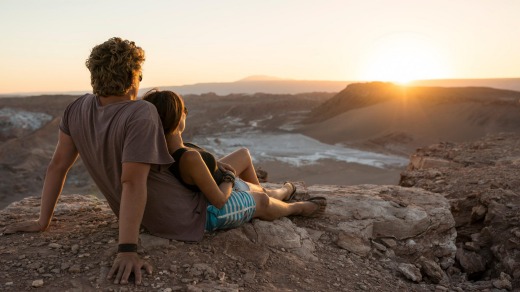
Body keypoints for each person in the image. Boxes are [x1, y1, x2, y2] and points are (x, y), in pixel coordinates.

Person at [2, 37, 207, 286]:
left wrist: (42, 221)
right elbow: (132, 182)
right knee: (259, 200)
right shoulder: (141, 113)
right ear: (133, 76)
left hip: (144, 219)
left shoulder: (75, 109)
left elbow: (58, 166)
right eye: (140, 75)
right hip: (185, 215)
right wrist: (127, 249)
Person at [142, 89, 327, 232]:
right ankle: (296, 208)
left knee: (243, 154)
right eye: (184, 110)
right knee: (261, 199)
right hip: (215, 199)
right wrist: (229, 177)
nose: (186, 114)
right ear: (175, 116)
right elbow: (220, 201)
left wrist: (216, 164)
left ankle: (280, 192)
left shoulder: (170, 148)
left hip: (217, 182)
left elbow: (196, 167)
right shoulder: (188, 157)